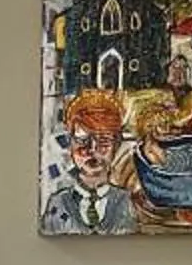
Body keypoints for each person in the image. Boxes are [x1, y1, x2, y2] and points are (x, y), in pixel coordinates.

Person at [39, 89, 137, 234]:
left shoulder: (126, 203)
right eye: (82, 140)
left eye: (104, 141)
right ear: (71, 143)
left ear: (116, 145)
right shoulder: (57, 204)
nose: (92, 149)